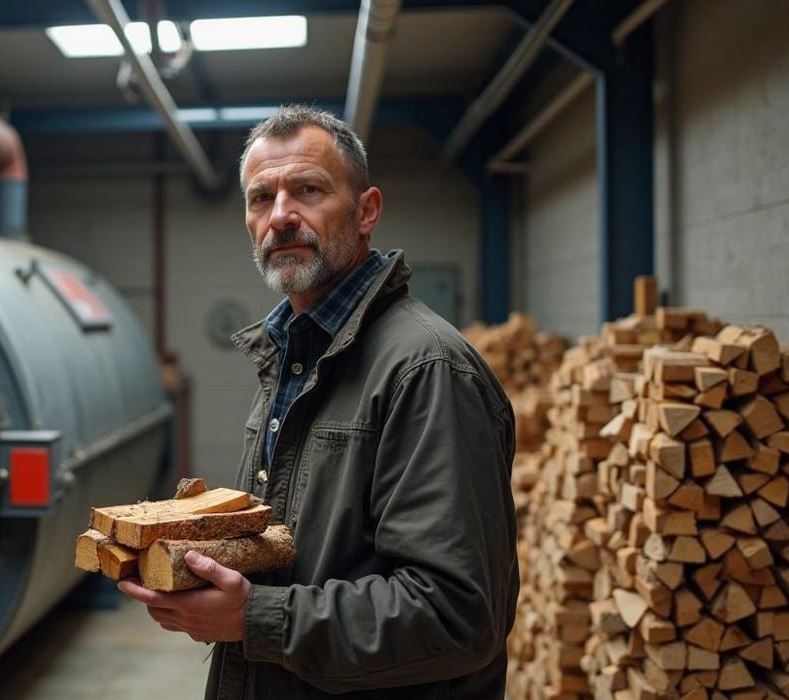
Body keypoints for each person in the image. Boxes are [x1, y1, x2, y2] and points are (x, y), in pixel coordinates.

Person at [118, 105, 519, 698]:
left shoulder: (425, 369)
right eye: (261, 198)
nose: (280, 216)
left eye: (307, 189)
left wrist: (250, 618)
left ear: (366, 212)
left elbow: (456, 616)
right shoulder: (289, 355)